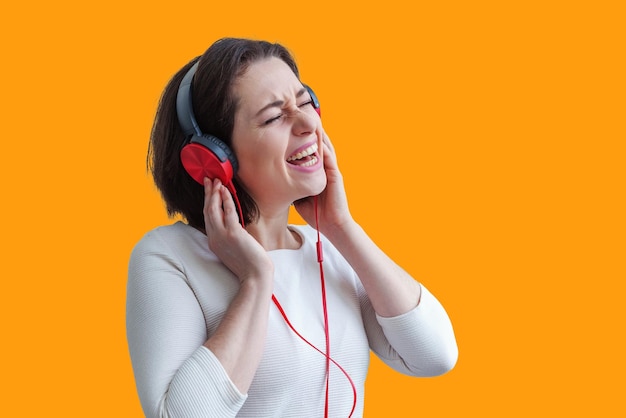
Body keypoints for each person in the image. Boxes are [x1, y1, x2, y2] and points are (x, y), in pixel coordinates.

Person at [126, 37, 458, 418]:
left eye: (304, 102)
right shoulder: (170, 258)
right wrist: (255, 280)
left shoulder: (329, 250)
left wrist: (340, 227)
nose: (307, 124)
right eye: (273, 117)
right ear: (214, 158)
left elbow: (435, 356)